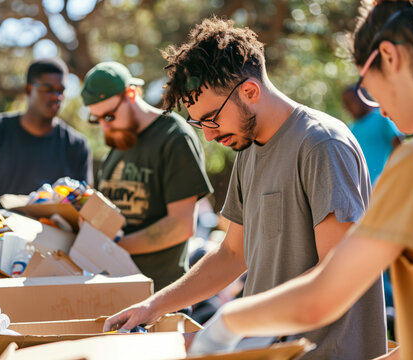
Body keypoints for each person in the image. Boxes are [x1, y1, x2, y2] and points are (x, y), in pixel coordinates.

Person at [104, 18, 387, 359]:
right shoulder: (248, 151)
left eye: (212, 119)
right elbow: (231, 255)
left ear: (250, 92)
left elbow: (337, 270)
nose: (208, 135)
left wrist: (231, 326)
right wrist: (153, 306)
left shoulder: (322, 144)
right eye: (198, 124)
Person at [178, 1, 413, 359]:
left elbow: (324, 296)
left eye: (366, 84)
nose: (375, 105)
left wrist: (228, 321)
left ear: (389, 57)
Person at [80, 61, 213, 291]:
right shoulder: (120, 141)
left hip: (160, 296)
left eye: (109, 116)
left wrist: (111, 246)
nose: (104, 127)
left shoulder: (174, 137)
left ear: (130, 94)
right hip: (112, 290)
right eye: (96, 119)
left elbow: (181, 225)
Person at [0, 58, 93, 236]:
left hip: (49, 253)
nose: (57, 96)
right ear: (29, 89)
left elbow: (85, 206)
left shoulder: (76, 146)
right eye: (48, 89)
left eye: (61, 90)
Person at [342, 85, 403, 184]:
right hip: (366, 189)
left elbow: (399, 145)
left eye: (351, 101)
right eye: (346, 104)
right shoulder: (351, 129)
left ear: (361, 97)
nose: (348, 107)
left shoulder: (381, 117)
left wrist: (393, 172)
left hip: (387, 182)